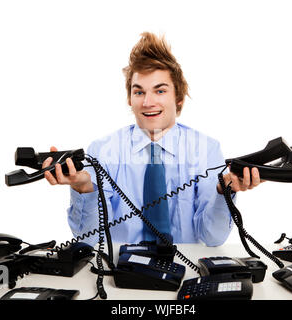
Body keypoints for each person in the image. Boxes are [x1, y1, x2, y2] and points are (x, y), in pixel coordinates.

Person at [42, 32, 263, 246]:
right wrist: (84, 189)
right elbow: (88, 239)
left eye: (160, 91)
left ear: (178, 96)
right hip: (120, 270)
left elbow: (212, 238)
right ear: (129, 98)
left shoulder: (206, 149)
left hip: (181, 271)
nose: (148, 102)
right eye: (139, 92)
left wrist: (223, 191)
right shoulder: (102, 150)